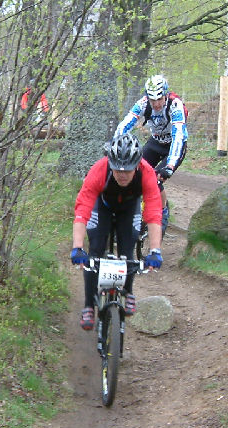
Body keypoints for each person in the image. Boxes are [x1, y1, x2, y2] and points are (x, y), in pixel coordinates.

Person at [70, 133, 164, 331]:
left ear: (137, 165)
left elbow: (154, 213)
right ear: (110, 163)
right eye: (117, 170)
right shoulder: (100, 169)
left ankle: (128, 291)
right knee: (93, 252)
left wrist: (155, 250)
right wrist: (78, 247)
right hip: (102, 207)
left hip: (129, 209)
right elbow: (82, 209)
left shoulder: (146, 173)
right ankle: (89, 305)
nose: (122, 175)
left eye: (128, 171)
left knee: (127, 251)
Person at [114, 74, 188, 233]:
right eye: (152, 99)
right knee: (131, 171)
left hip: (173, 147)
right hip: (155, 143)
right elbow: (124, 125)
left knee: (155, 180)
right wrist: (115, 146)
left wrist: (170, 165)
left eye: (159, 99)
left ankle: (162, 212)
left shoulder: (175, 105)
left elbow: (179, 136)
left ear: (166, 95)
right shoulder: (142, 103)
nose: (155, 104)